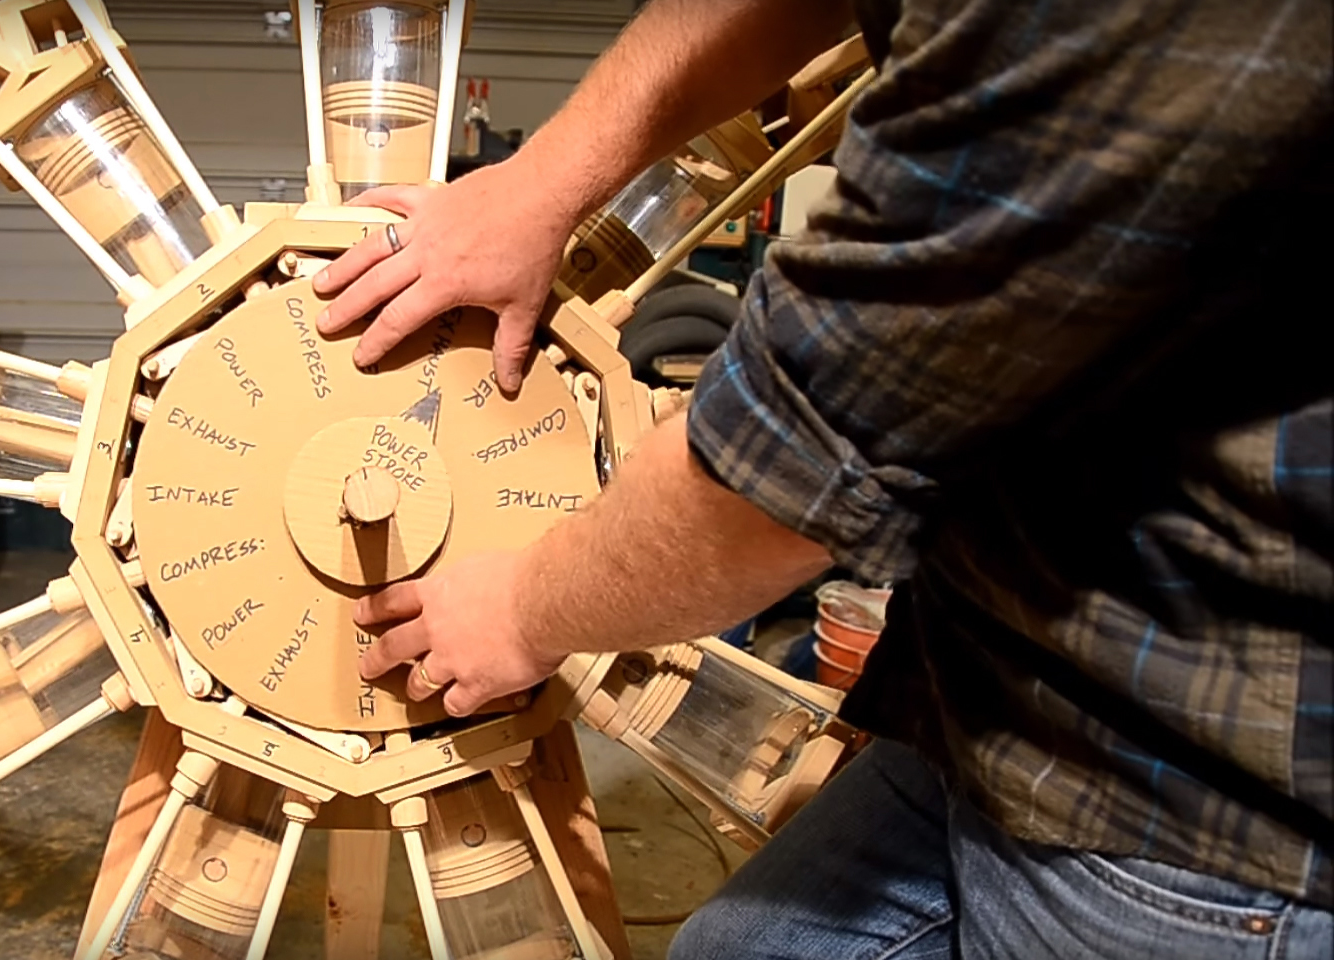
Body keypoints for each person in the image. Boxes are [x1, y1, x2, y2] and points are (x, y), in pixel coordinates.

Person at [311, 0, 1333, 956]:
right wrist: (538, 186)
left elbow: (796, 459)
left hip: (1203, 800)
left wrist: (523, 610)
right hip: (998, 676)